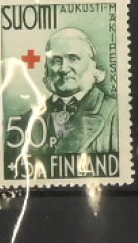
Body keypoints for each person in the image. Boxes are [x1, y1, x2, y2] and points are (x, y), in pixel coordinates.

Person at [37, 25, 119, 158]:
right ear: (47, 67)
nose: (63, 69)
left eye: (73, 58)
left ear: (92, 63)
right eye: (56, 60)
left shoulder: (114, 112)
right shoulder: (27, 120)